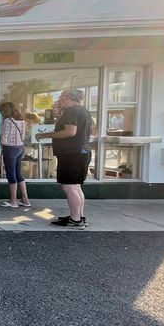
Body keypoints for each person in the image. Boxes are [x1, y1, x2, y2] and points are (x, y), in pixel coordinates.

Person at [37, 89, 93, 229]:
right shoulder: (83, 111)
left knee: (69, 186)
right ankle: (79, 216)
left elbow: (70, 131)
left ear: (68, 97)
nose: (59, 98)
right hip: (82, 151)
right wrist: (58, 114)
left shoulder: (72, 111)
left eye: (61, 96)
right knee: (76, 186)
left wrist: (45, 135)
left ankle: (75, 220)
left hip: (71, 153)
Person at [0, 102, 31, 208]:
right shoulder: (22, 120)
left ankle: (13, 201)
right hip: (20, 147)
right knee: (18, 173)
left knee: (11, 174)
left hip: (10, 148)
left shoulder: (8, 121)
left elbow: (4, 136)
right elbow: (24, 135)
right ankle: (25, 199)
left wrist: (0, 146)